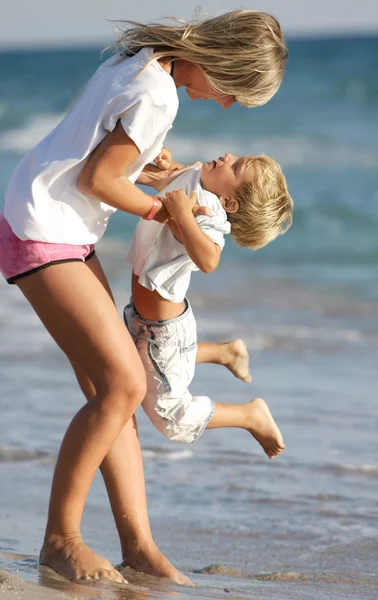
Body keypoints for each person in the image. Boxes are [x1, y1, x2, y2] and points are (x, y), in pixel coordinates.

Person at [0, 10, 288, 585]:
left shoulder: (141, 64)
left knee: (115, 386)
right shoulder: (159, 93)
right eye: (233, 94)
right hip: (44, 229)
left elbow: (103, 151)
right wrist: (171, 214)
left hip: (56, 224)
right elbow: (98, 182)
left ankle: (140, 547)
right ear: (224, 65)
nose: (226, 106)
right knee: (126, 385)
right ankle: (61, 540)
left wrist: (151, 164)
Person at [126, 152, 293, 456]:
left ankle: (249, 415)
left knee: (170, 417)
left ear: (229, 203)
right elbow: (152, 177)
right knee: (145, 362)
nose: (228, 156)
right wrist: (158, 163)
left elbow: (209, 259)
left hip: (160, 333)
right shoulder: (195, 176)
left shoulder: (211, 210)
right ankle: (223, 352)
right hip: (155, 323)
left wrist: (184, 216)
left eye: (236, 166)